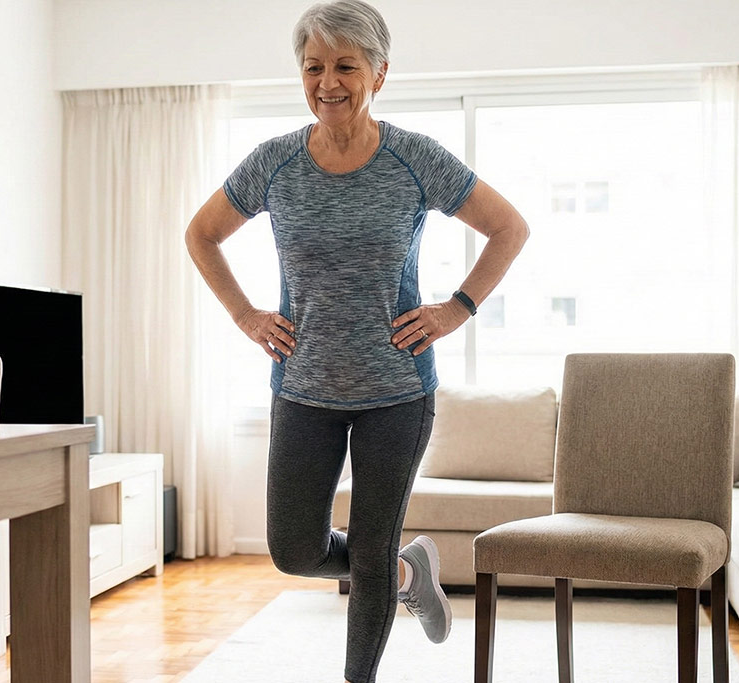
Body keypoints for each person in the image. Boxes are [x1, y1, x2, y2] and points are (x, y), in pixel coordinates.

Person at [185, 2, 527, 681]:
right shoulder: (274, 162)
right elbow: (202, 234)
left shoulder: (413, 158)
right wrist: (245, 315)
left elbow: (508, 227)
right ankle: (410, 568)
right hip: (303, 386)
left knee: (368, 553)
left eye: (346, 65)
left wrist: (456, 309)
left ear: (380, 73)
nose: (328, 82)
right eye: (314, 67)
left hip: (397, 391)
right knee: (292, 548)